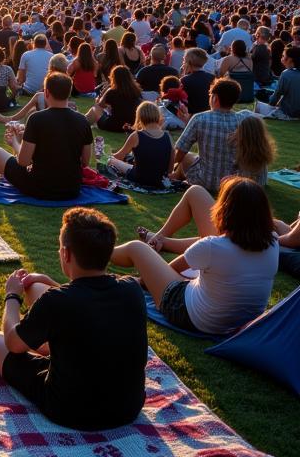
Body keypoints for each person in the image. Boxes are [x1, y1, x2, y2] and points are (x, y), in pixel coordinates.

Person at [0, 208, 147, 430]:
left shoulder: (56, 302)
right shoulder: (132, 289)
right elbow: (88, 305)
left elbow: (13, 344)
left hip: (70, 409)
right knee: (37, 289)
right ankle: (47, 344)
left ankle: (44, 346)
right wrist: (46, 282)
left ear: (66, 254)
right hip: (128, 407)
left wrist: (12, 297)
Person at [111, 176, 278, 336]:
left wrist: (143, 279)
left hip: (192, 316)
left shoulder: (213, 246)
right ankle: (159, 239)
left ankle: (100, 251)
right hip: (242, 320)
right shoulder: (273, 242)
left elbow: (171, 270)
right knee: (195, 193)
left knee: (136, 248)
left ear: (224, 210)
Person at [0, 72, 92, 201]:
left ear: (46, 93)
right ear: (68, 93)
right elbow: (85, 162)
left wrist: (14, 143)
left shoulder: (37, 119)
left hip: (39, 187)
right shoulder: (82, 120)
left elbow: (23, 162)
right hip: (71, 188)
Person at [173, 78, 249, 192]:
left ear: (215, 98)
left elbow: (181, 151)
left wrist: (171, 165)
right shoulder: (243, 121)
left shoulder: (200, 118)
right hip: (231, 183)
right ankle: (175, 176)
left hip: (203, 181)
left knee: (186, 156)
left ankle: (172, 177)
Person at [106, 101, 174, 188]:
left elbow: (119, 156)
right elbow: (170, 169)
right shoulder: (168, 136)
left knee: (111, 160)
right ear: (157, 116)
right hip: (159, 180)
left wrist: (107, 155)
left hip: (140, 178)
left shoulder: (137, 135)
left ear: (140, 117)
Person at [85, 65, 142, 133]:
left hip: (114, 126)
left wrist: (104, 92)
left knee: (95, 108)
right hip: (130, 126)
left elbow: (100, 104)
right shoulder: (136, 91)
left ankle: (83, 123)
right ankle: (83, 122)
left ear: (114, 78)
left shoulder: (112, 91)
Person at [179, 47, 216, 115]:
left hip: (191, 115)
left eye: (184, 60)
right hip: (209, 113)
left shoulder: (185, 80)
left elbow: (182, 102)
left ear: (188, 62)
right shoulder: (212, 78)